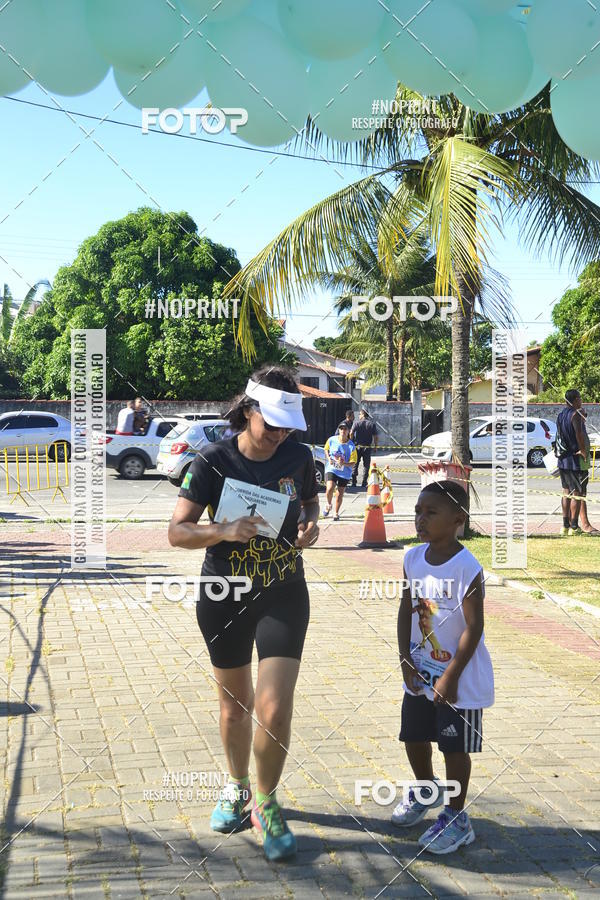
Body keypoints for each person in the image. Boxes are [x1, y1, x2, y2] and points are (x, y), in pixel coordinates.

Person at [168, 366, 319, 862]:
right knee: (236, 707)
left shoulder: (299, 456)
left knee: (274, 708)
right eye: (270, 423)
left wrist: (309, 529)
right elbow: (178, 532)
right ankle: (237, 788)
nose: (278, 435)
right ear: (248, 411)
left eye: (286, 426)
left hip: (283, 591)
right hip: (224, 594)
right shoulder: (212, 459)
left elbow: (309, 509)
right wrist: (224, 530)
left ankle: (268, 803)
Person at [394, 480, 494, 854]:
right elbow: (407, 608)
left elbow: (475, 626)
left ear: (458, 519)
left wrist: (451, 676)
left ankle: (456, 816)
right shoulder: (412, 557)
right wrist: (404, 657)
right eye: (418, 511)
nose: (421, 519)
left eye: (431, 512)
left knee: (453, 746)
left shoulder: (467, 567)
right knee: (413, 736)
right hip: (420, 674)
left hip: (458, 680)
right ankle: (425, 789)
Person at [555, 389, 595, 535]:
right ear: (576, 399)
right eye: (580, 398)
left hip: (563, 459)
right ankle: (574, 527)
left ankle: (564, 526)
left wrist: (582, 417)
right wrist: (583, 450)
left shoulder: (561, 415)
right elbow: (578, 433)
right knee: (577, 493)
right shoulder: (575, 415)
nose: (581, 401)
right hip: (575, 459)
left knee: (566, 492)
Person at [322, 422, 357, 521]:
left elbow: (353, 462)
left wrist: (344, 464)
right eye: (341, 429)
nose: (343, 431)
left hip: (344, 472)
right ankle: (328, 504)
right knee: (329, 488)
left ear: (348, 431)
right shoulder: (332, 440)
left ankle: (336, 513)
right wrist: (329, 458)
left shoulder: (351, 446)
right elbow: (326, 449)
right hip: (332, 468)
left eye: (345, 429)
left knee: (339, 493)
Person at [350, 408, 379, 488]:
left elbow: (351, 433)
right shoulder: (371, 424)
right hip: (367, 447)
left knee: (355, 464)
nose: (358, 416)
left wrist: (351, 442)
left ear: (363, 415)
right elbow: (376, 436)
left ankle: (354, 482)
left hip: (357, 446)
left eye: (359, 414)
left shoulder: (356, 423)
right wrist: (375, 446)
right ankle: (364, 482)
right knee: (366, 465)